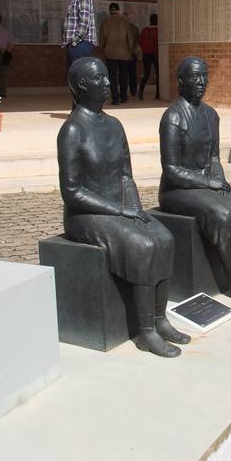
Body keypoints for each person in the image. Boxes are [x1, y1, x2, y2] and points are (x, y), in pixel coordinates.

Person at [58, 57, 185, 357]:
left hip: (120, 207)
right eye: (99, 79)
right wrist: (120, 213)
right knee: (141, 246)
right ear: (80, 86)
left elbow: (126, 175)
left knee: (163, 238)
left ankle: (159, 318)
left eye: (106, 77)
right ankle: (145, 332)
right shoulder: (72, 131)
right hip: (85, 215)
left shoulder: (114, 125)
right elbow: (72, 191)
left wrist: (136, 210)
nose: (107, 83)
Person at [158, 56, 231, 309]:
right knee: (221, 213)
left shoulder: (210, 115)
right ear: (181, 81)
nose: (200, 82)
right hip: (177, 190)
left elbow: (213, 157)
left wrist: (219, 180)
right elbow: (172, 169)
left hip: (206, 182)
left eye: (204, 76)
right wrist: (209, 184)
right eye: (194, 77)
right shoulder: (173, 117)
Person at [99, 3, 136, 105]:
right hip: (124, 53)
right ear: (118, 11)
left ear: (109, 11)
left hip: (110, 53)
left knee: (112, 76)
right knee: (123, 75)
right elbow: (130, 39)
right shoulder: (125, 23)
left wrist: (101, 51)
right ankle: (123, 96)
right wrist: (131, 51)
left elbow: (101, 40)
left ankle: (115, 98)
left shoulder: (105, 23)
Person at [60, 0, 97, 69]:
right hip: (77, 44)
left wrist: (74, 42)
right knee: (73, 76)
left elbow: (84, 23)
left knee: (78, 77)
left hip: (80, 44)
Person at [138, 13, 160, 100]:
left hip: (146, 54)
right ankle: (158, 94)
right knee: (158, 74)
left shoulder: (144, 30)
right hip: (155, 54)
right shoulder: (158, 31)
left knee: (146, 74)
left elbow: (140, 42)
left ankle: (140, 91)